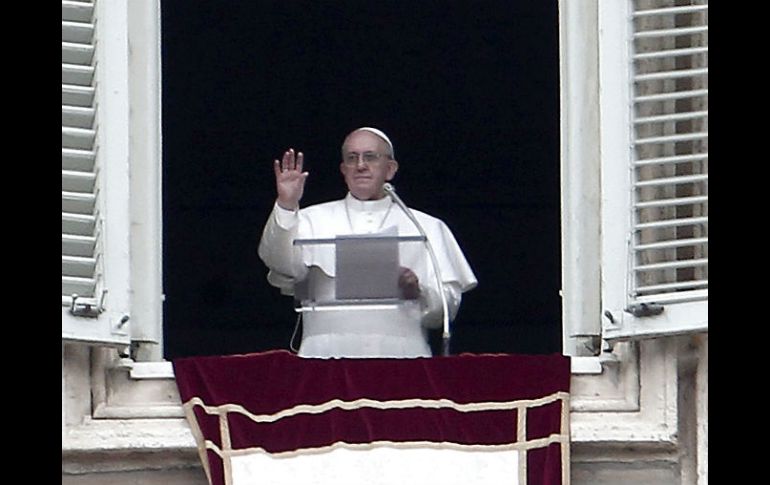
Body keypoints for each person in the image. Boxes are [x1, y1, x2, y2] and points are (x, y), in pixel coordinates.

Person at [258, 127, 477, 358]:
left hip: (403, 355)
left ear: (390, 169)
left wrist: (419, 290)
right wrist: (286, 205)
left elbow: (447, 309)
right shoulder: (310, 219)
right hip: (323, 355)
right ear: (343, 170)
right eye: (352, 158)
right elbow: (279, 264)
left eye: (370, 157)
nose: (360, 165)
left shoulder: (426, 227)